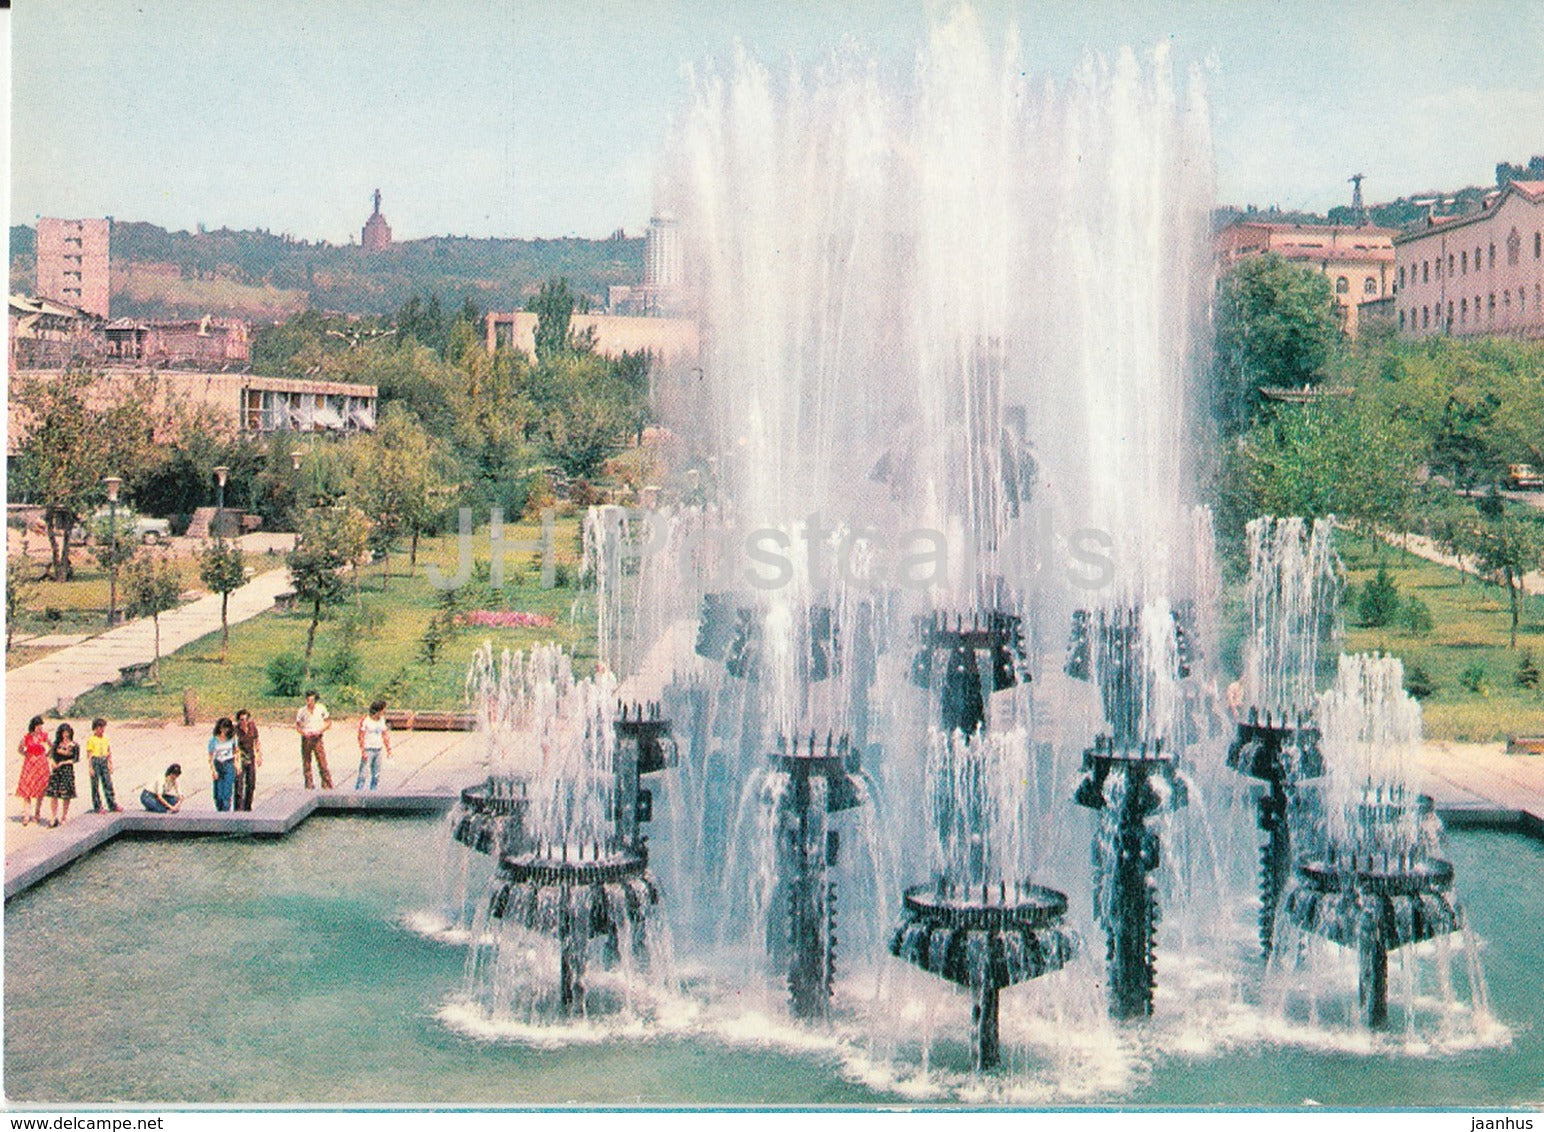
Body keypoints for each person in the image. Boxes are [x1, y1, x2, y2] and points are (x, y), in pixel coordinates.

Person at [16, 715, 52, 826]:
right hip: (30, 764)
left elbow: (52, 746)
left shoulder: (43, 736)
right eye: (38, 726)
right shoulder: (27, 737)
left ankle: (37, 814)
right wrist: (27, 754)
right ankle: (26, 815)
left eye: (41, 725)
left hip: (41, 764)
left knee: (40, 789)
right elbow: (20, 748)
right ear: (33, 726)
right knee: (27, 789)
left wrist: (46, 755)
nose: (40, 728)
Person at [295, 689, 333, 789]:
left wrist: (320, 730)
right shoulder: (302, 711)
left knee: (322, 762)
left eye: (312, 700)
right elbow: (298, 726)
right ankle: (309, 785)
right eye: (308, 700)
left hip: (317, 737)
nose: (309, 702)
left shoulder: (321, 709)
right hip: (307, 738)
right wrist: (304, 733)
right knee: (307, 762)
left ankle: (327, 784)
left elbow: (328, 722)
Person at [44, 723, 80, 827]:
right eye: (64, 733)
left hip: (67, 770)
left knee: (66, 795)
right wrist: (52, 762)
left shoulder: (74, 745)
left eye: (67, 732)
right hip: (56, 771)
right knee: (53, 794)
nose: (65, 735)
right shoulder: (56, 744)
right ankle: (53, 816)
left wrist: (63, 763)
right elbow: (51, 755)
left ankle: (64, 816)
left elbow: (75, 759)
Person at [86, 717, 122, 814]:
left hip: (104, 759)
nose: (102, 730)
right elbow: (89, 754)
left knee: (108, 783)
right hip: (95, 760)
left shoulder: (105, 738)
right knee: (95, 785)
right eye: (100, 728)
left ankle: (112, 804)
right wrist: (90, 767)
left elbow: (108, 751)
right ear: (95, 728)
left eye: (103, 728)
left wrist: (110, 763)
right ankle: (97, 806)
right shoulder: (91, 739)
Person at [355, 700, 393, 791]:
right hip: (368, 749)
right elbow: (361, 736)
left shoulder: (382, 720)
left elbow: (384, 734)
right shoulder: (366, 720)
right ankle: (358, 791)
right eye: (383, 710)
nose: (384, 712)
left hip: (378, 749)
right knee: (363, 774)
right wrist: (363, 751)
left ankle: (373, 791)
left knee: (376, 774)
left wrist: (388, 749)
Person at [208, 717, 239, 812]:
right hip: (218, 764)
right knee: (218, 794)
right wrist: (213, 770)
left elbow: (236, 752)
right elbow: (210, 757)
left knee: (226, 792)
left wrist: (237, 764)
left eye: (226, 728)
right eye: (222, 728)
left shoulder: (232, 739)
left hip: (228, 764)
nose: (224, 731)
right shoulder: (213, 740)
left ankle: (225, 812)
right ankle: (219, 809)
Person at [234, 709, 262, 812]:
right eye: (242, 720)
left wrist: (259, 755)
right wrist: (237, 763)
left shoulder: (252, 727)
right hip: (240, 757)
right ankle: (238, 809)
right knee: (239, 786)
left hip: (250, 756)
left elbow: (257, 741)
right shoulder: (236, 731)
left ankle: (248, 807)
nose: (244, 722)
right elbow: (235, 748)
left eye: (246, 719)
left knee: (251, 783)